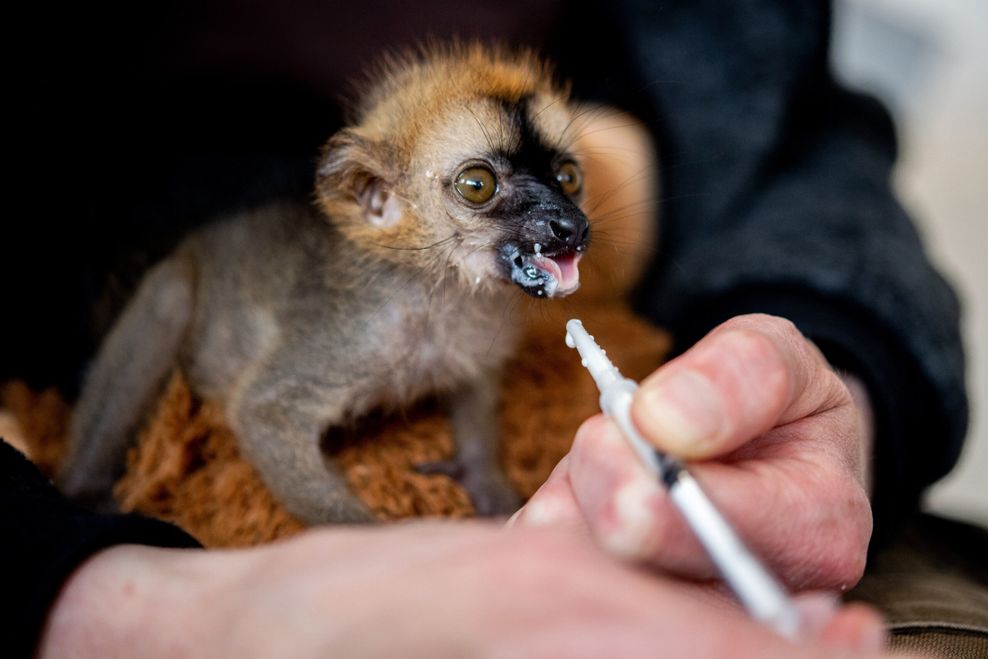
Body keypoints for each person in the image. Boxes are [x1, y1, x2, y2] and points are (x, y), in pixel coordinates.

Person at [2, 0, 967, 656]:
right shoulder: (363, 305)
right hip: (109, 353)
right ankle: (88, 474)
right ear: (377, 200)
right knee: (167, 302)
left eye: (564, 180)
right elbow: (272, 416)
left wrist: (844, 366)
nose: (555, 218)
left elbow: (801, 132)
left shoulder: (487, 305)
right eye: (481, 189)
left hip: (683, 395)